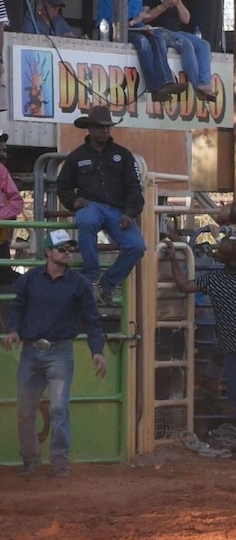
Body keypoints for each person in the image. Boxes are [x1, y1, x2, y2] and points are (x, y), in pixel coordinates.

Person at [164, 233, 236, 461]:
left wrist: (173, 258)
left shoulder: (235, 276)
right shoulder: (233, 277)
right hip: (233, 344)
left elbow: (183, 285)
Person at [3, 230, 106, 478]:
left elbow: (93, 320)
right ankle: (38, 460)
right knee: (29, 410)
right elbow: (17, 309)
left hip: (53, 350)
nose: (67, 252)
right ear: (48, 252)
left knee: (55, 409)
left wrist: (97, 350)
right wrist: (14, 330)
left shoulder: (74, 283)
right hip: (41, 350)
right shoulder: (31, 280)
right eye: (62, 249)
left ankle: (54, 461)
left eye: (69, 249)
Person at [56, 106, 146, 305]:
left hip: (118, 210)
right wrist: (73, 201)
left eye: (107, 127)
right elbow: (63, 186)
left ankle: (106, 285)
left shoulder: (123, 155)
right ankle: (91, 275)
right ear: (90, 129)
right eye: (99, 127)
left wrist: (130, 213)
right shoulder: (76, 157)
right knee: (86, 220)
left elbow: (134, 187)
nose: (104, 131)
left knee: (137, 246)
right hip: (92, 205)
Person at [96, 0, 186, 103]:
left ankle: (166, 82)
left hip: (134, 28)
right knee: (143, 41)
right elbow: (108, 19)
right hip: (114, 30)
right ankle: (154, 88)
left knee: (158, 40)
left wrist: (144, 26)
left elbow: (139, 18)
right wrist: (133, 22)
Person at [138, 0, 217, 102]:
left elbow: (186, 19)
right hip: (157, 29)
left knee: (204, 45)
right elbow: (145, 18)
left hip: (175, 30)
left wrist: (177, 1)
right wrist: (165, 4)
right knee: (185, 44)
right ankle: (197, 86)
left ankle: (204, 84)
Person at [0, 131, 23, 284]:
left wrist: (1, 216)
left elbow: (16, 201)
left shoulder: (2, 171)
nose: (3, 154)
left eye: (4, 150)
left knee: (5, 281)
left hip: (0, 241)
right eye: (0, 150)